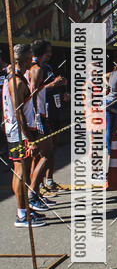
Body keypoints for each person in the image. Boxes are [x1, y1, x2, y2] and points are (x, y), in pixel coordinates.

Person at [2, 43, 47, 227]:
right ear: (23, 60)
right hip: (18, 132)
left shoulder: (16, 77)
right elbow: (18, 112)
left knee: (22, 170)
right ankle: (22, 214)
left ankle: (26, 208)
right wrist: (28, 138)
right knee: (20, 172)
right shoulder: (17, 81)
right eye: (30, 57)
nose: (33, 60)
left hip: (20, 130)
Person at [28, 40, 67, 193]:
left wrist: (62, 91)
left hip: (53, 110)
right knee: (40, 153)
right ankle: (35, 188)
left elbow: (50, 88)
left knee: (52, 148)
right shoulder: (35, 69)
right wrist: (52, 85)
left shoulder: (48, 67)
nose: (50, 54)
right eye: (48, 51)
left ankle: (48, 180)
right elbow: (33, 92)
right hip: (41, 115)